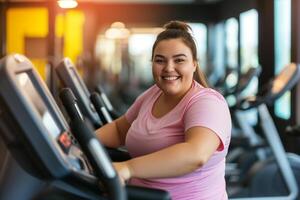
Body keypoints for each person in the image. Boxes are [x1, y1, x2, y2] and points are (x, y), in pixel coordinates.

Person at [96, 20, 231, 200]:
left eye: (179, 60)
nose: (168, 68)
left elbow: (196, 154)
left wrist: (128, 168)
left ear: (194, 64)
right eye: (160, 60)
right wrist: (75, 143)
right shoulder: (152, 95)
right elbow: (119, 130)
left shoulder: (207, 102)